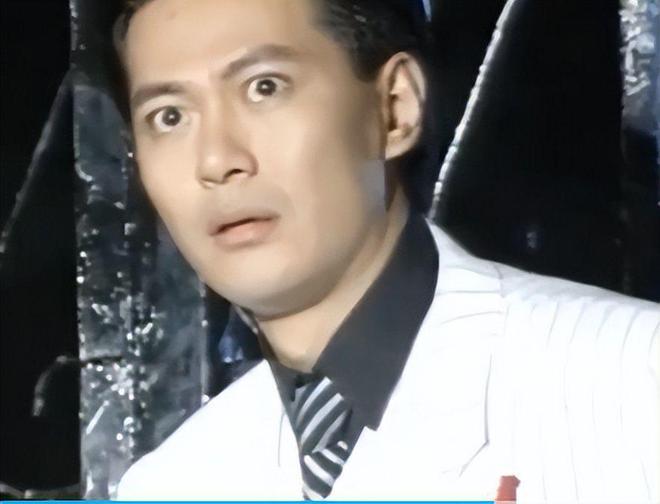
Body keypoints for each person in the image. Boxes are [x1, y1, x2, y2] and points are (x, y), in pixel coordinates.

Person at [114, 0, 659, 501]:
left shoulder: (634, 382)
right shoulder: (170, 483)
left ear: (396, 107)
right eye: (169, 116)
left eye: (265, 87)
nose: (216, 161)